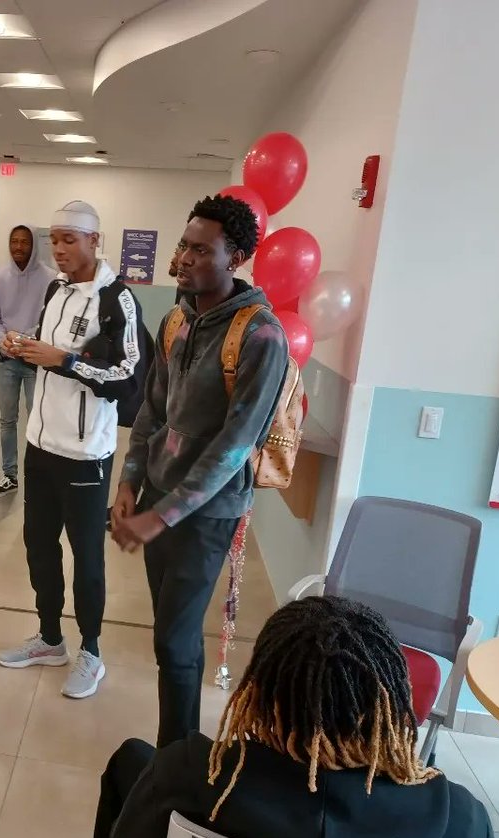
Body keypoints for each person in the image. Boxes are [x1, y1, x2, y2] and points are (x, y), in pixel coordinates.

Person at [85, 595, 499, 838]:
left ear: (259, 694)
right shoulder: (461, 826)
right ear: (390, 705)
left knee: (134, 759)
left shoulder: (195, 775)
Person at [111, 194, 288, 747]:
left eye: (200, 249)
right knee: (171, 635)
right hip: (158, 498)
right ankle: (181, 748)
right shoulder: (173, 320)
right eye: (183, 245)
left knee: (175, 637)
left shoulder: (261, 336)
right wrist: (129, 481)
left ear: (233, 257)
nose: (184, 258)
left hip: (206, 513)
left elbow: (236, 446)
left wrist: (160, 517)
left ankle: (179, 757)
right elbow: (152, 410)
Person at [0, 200, 142, 700]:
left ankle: (92, 652)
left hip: (85, 454)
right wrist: (27, 346)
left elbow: (128, 376)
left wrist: (66, 362)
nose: (58, 249)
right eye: (53, 239)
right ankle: (51, 639)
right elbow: (51, 347)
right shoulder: (55, 290)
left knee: (86, 557)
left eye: (69, 240)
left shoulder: (116, 299)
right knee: (38, 546)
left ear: (94, 241)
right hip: (41, 446)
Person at [0, 224, 56, 499]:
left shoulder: (50, 278)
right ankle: (9, 475)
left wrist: (25, 340)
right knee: (7, 419)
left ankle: (38, 477)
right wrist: (5, 340)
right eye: (13, 241)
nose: (18, 247)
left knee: (38, 419)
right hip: (7, 360)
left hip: (34, 360)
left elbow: (49, 319)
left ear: (33, 245)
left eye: (24, 242)